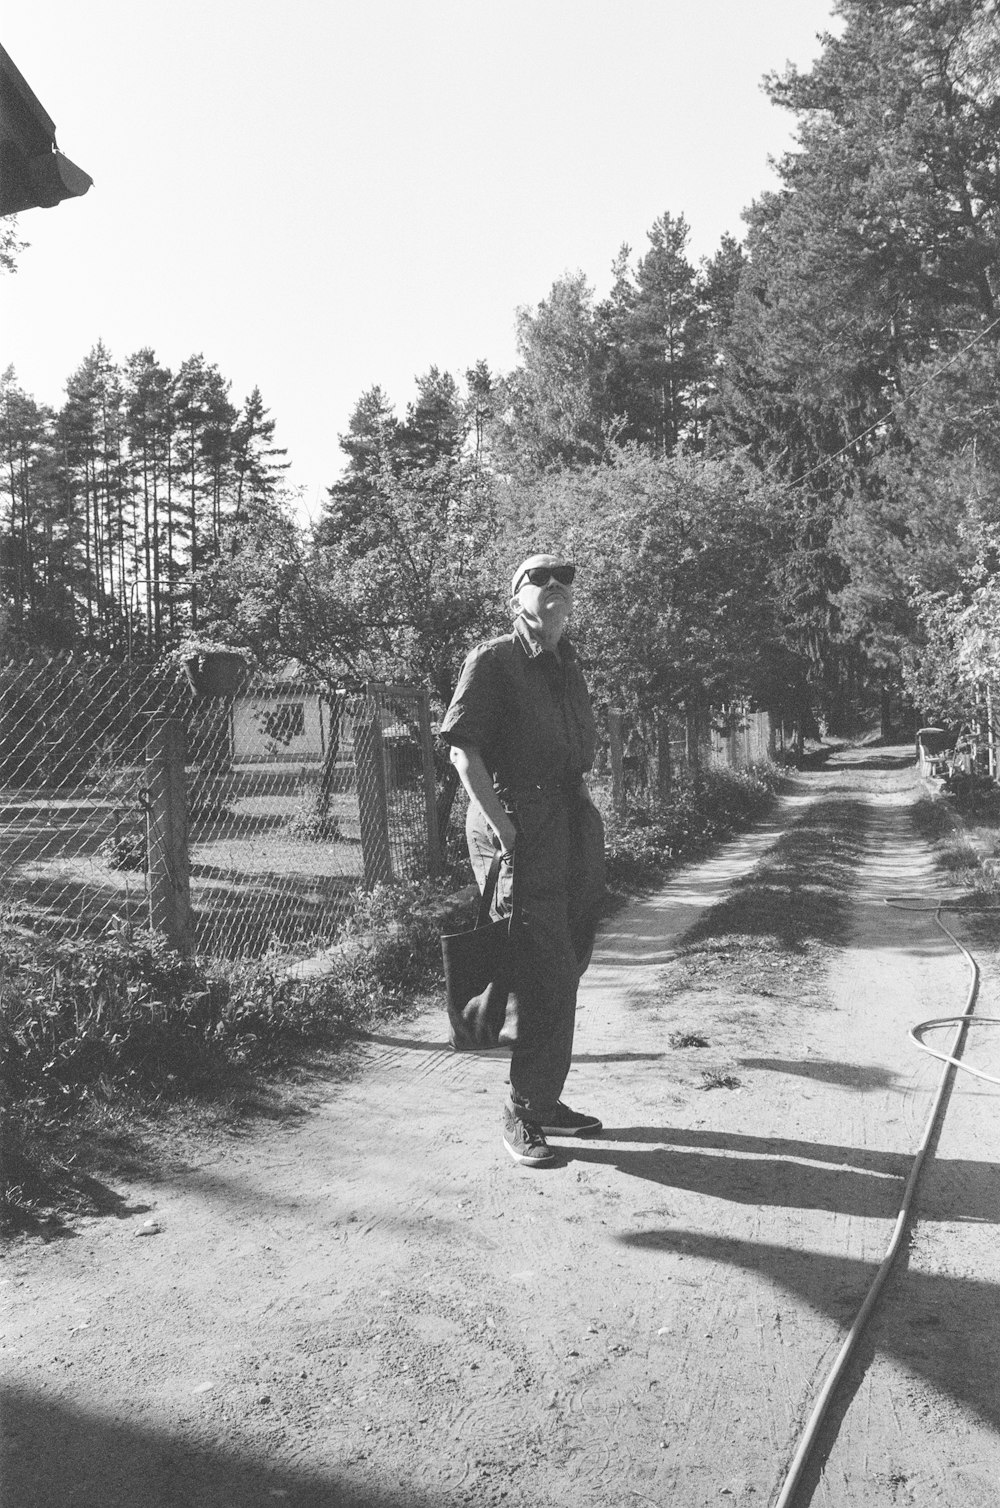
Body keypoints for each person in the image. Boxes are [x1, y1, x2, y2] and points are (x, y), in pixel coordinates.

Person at [439, 552, 606, 1167]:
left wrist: (581, 815)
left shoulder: (568, 666)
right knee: (542, 963)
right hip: (516, 821)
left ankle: (543, 1096)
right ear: (517, 597)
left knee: (570, 958)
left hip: (569, 821)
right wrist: (508, 832)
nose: (557, 587)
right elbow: (463, 754)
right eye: (541, 579)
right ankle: (522, 1108)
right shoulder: (494, 660)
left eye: (567, 579)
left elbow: (574, 751)